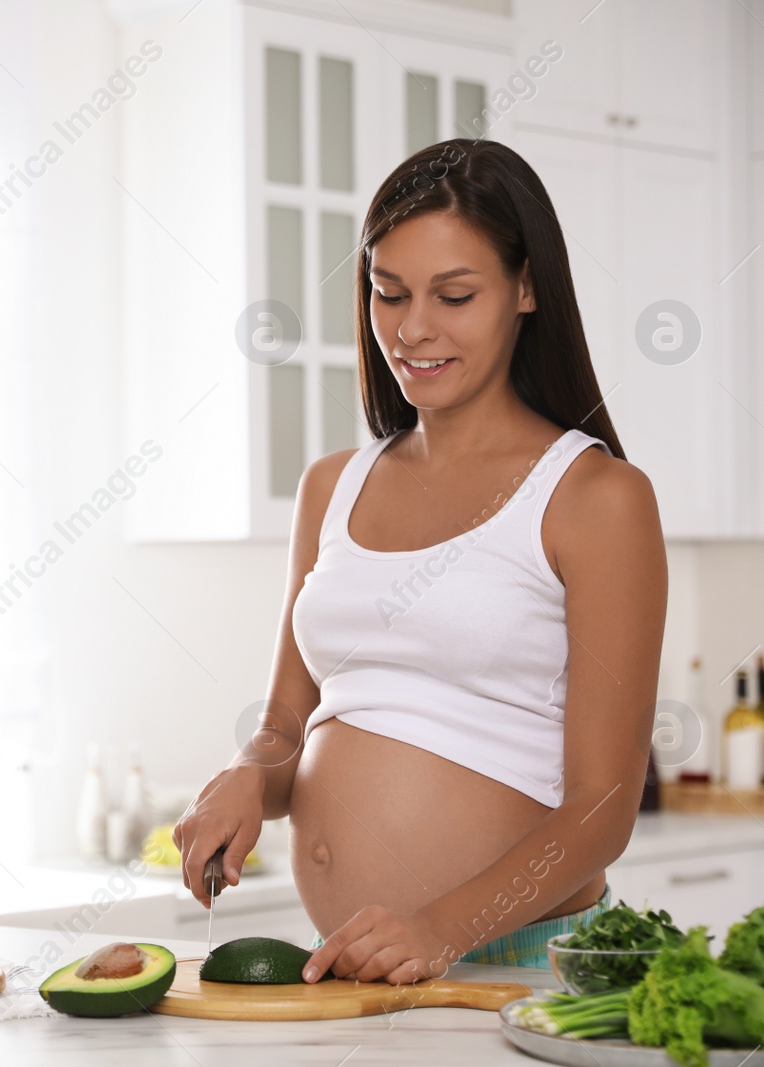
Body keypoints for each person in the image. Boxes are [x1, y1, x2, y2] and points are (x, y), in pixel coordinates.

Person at [172, 138, 668, 985]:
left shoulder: (596, 498)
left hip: (514, 968)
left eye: (455, 295)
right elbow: (288, 725)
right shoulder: (333, 486)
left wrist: (441, 926)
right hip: (363, 971)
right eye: (388, 293)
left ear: (525, 287)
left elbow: (603, 805)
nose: (413, 329)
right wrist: (249, 777)